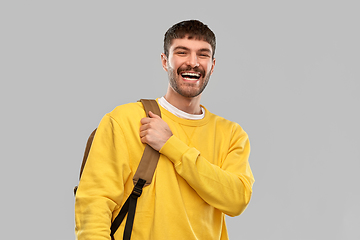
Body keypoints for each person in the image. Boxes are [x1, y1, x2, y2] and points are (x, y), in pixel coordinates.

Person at [75, 19, 254, 240]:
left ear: (213, 65)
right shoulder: (125, 120)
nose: (193, 62)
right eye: (182, 52)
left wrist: (172, 146)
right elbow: (93, 203)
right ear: (164, 61)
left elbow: (237, 200)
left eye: (203, 54)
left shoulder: (231, 134)